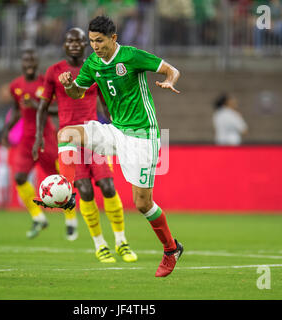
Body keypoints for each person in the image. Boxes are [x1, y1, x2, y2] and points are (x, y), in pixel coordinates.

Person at [36, 16, 184, 277]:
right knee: (67, 133)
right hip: (116, 131)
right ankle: (66, 189)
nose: (94, 46)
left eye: (99, 41)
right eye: (92, 41)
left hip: (142, 135)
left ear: (113, 38)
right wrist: (70, 86)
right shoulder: (92, 62)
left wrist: (170, 80)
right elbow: (78, 92)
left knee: (142, 203)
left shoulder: (132, 56)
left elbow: (170, 70)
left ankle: (171, 249)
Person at [34, 27, 137, 263]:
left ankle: (121, 241)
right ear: (64, 45)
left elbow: (106, 101)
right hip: (69, 141)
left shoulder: (95, 66)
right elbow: (43, 106)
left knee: (108, 186)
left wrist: (118, 128)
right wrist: (39, 136)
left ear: (85, 44)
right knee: (86, 191)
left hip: (94, 136)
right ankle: (100, 245)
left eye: (79, 41)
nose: (74, 45)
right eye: (70, 41)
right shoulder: (54, 72)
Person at [1, 48, 78, 240]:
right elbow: (17, 110)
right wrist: (6, 129)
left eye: (32, 61)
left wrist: (38, 107)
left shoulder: (46, 83)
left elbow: (59, 109)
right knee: (19, 177)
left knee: (62, 180)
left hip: (46, 138)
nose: (29, 64)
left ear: (36, 63)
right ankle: (38, 218)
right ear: (22, 63)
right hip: (27, 140)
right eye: (26, 60)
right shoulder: (15, 86)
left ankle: (70, 220)